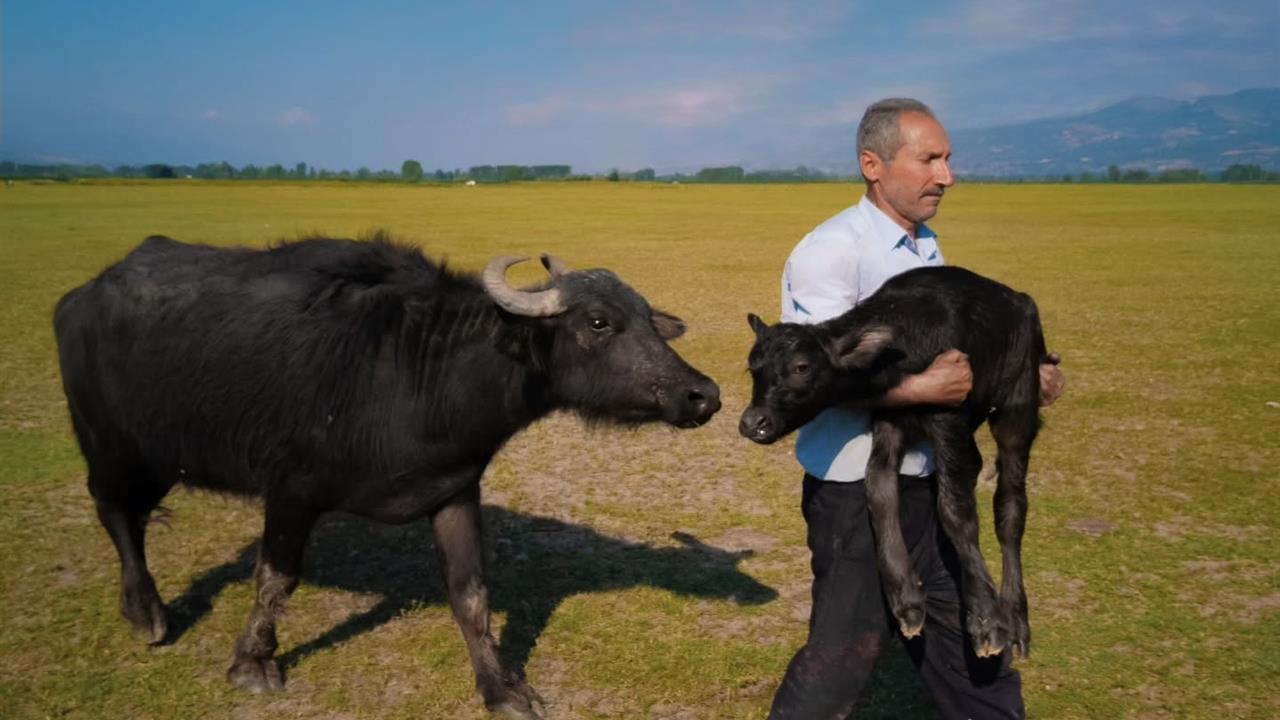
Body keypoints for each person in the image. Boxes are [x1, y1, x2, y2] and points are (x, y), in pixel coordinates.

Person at [768, 98, 1066, 719]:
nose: (947, 176)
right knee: (840, 664)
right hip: (857, 494)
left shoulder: (925, 248)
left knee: (973, 650)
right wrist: (917, 393)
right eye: (929, 159)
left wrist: (1020, 373)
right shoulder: (830, 252)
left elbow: (951, 360)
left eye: (948, 159)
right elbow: (804, 381)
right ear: (873, 164)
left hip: (936, 484)